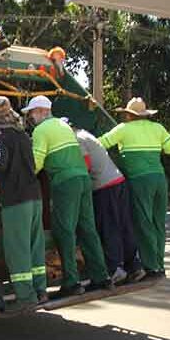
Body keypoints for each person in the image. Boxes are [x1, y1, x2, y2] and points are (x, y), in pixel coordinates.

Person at [21, 95, 112, 297]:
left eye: (31, 114)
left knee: (65, 231)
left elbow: (36, 163)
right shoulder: (64, 126)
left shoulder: (41, 130)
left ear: (39, 112)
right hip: (83, 179)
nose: (31, 118)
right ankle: (102, 277)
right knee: (88, 228)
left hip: (65, 183)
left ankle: (72, 282)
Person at [0, 96, 47, 309]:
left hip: (16, 201)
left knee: (18, 249)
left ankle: (25, 298)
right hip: (35, 198)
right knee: (35, 245)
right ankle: (40, 290)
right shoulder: (23, 135)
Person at [98, 97, 170, 279]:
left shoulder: (123, 129)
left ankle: (151, 267)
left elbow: (100, 143)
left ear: (128, 115)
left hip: (139, 181)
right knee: (159, 223)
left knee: (144, 223)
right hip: (159, 179)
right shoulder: (157, 128)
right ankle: (160, 264)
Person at [72, 123, 146, 284]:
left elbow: (85, 164)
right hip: (118, 181)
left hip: (104, 187)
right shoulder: (86, 134)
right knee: (124, 225)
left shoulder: (76, 139)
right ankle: (134, 266)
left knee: (108, 227)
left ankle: (115, 269)